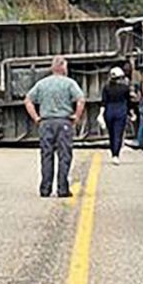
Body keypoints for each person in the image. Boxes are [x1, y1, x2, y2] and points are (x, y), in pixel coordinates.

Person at [24, 56, 86, 198]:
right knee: (64, 155)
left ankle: (45, 188)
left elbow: (28, 100)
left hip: (46, 123)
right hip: (63, 122)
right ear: (63, 67)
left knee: (46, 155)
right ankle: (62, 189)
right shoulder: (69, 83)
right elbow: (80, 99)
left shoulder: (42, 83)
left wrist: (36, 118)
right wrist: (76, 116)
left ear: (52, 68)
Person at [102, 66, 131, 165]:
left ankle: (113, 151)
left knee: (111, 133)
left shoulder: (106, 87)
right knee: (118, 133)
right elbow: (128, 101)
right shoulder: (125, 88)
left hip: (109, 110)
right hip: (121, 110)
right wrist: (131, 112)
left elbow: (104, 102)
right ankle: (116, 154)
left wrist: (101, 114)